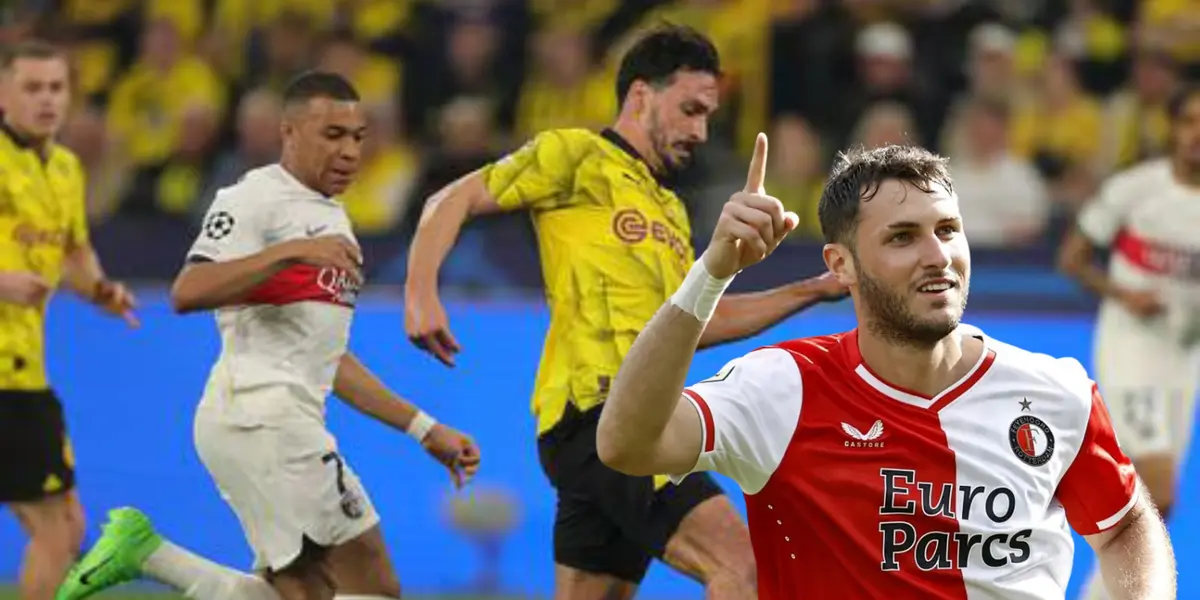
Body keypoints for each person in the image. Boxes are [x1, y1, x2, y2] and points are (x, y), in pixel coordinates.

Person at [596, 137, 1176, 599]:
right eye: (903, 237)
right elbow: (627, 443)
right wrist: (712, 275)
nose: (937, 256)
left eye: (948, 230)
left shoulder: (1054, 391)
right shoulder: (781, 388)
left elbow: (1125, 525)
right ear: (840, 265)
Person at [405, 24, 845, 600]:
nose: (700, 130)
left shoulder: (668, 208)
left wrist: (812, 289)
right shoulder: (575, 154)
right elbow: (453, 197)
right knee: (746, 570)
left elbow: (693, 324)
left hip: (621, 422)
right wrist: (420, 291)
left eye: (709, 115)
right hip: (601, 411)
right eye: (689, 110)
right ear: (641, 94)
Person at [55, 72, 481, 600]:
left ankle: (148, 554)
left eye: (358, 136)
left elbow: (327, 358)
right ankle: (148, 554)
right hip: (263, 419)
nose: (349, 151)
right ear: (289, 132)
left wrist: (423, 428)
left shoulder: (334, 221)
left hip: (276, 421)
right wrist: (290, 252)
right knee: (368, 590)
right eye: (332, 135)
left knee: (302, 593)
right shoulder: (253, 198)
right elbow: (186, 291)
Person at [0, 41, 138, 600]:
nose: (47, 99)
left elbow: (73, 254)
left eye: (56, 88)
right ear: (5, 93)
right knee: (60, 528)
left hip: (23, 374)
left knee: (64, 527)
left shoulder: (64, 169)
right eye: (33, 87)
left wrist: (102, 290)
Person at [1059, 83, 1200, 600]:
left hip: (1186, 351)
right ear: (1173, 128)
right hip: (1133, 344)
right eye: (1188, 121)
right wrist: (1124, 293)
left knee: (1162, 503)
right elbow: (1071, 258)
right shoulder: (1137, 189)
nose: (1197, 134)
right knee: (1155, 488)